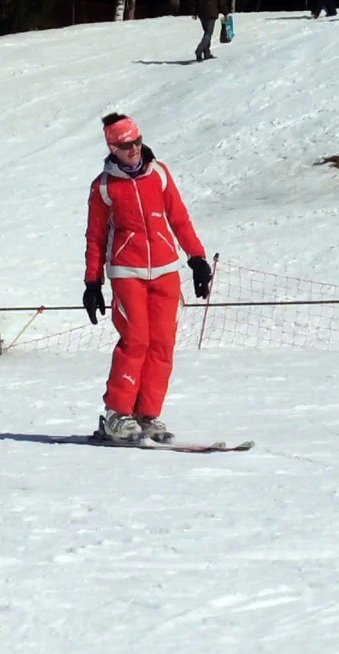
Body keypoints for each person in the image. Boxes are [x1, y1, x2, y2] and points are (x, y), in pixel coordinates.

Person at [82, 113, 213, 443]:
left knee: (162, 343)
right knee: (136, 339)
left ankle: (147, 414)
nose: (134, 150)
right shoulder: (104, 187)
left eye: (137, 142)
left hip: (165, 269)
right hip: (127, 271)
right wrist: (92, 283)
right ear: (113, 147)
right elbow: (95, 237)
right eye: (126, 146)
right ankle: (117, 413)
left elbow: (179, 219)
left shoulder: (160, 175)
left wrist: (196, 259)